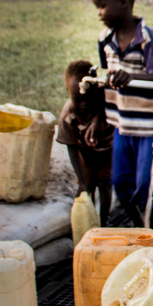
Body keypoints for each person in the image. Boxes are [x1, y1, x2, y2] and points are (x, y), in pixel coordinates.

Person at [90, 0, 153, 232]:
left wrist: (131, 76)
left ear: (123, 1)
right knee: (120, 183)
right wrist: (99, 118)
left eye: (102, 6)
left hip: (147, 127)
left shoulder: (146, 38)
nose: (99, 13)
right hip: (121, 124)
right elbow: (104, 80)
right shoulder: (105, 40)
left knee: (146, 184)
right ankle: (140, 226)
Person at [56, 60, 115, 226]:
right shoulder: (68, 116)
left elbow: (110, 97)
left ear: (96, 87)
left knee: (105, 186)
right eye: (77, 100)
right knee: (86, 188)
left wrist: (97, 120)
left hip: (108, 149)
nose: (84, 105)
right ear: (68, 92)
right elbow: (72, 149)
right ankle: (84, 226)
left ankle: (104, 223)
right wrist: (80, 179)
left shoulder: (104, 98)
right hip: (85, 153)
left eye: (88, 99)